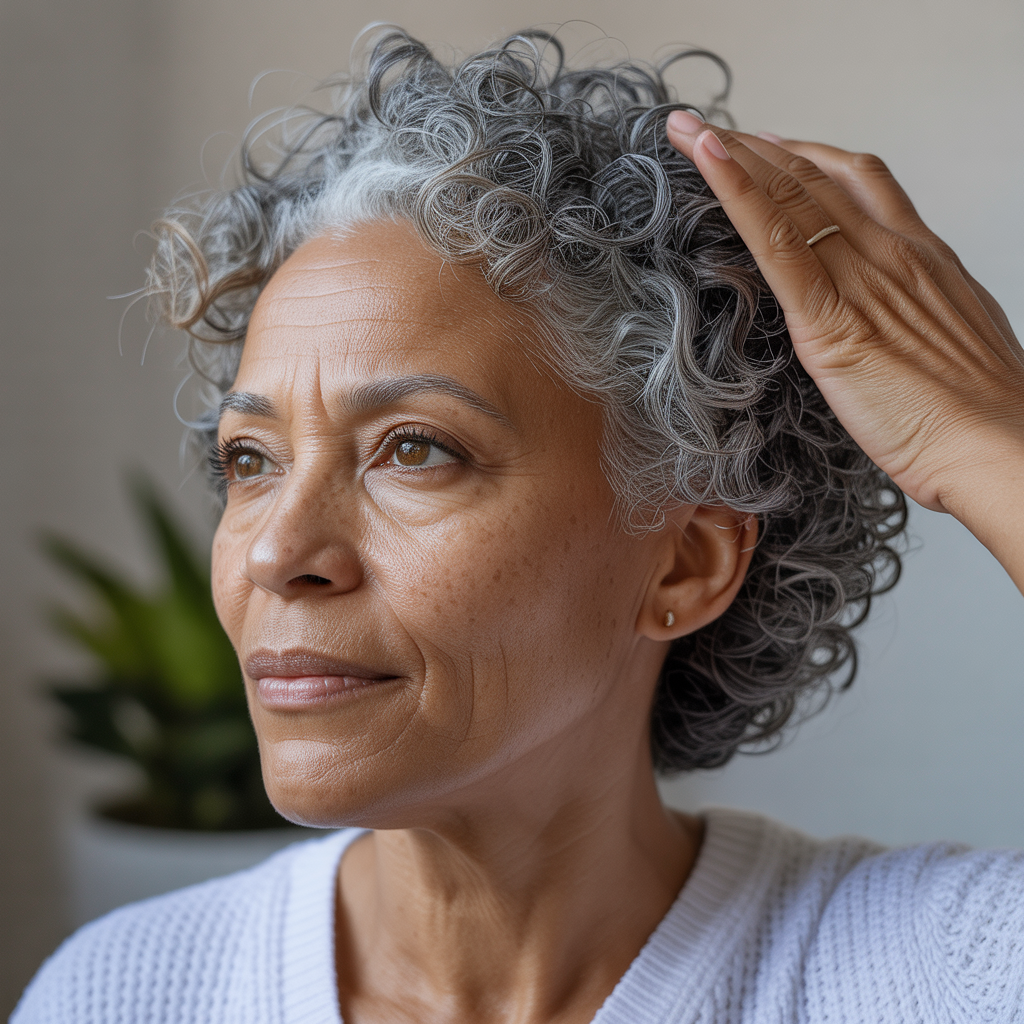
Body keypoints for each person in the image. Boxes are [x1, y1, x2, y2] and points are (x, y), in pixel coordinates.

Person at [13, 26, 1024, 1024]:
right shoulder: (126, 992)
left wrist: (991, 447)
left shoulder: (942, 973)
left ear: (684, 561)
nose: (278, 552)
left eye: (413, 448)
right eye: (250, 460)